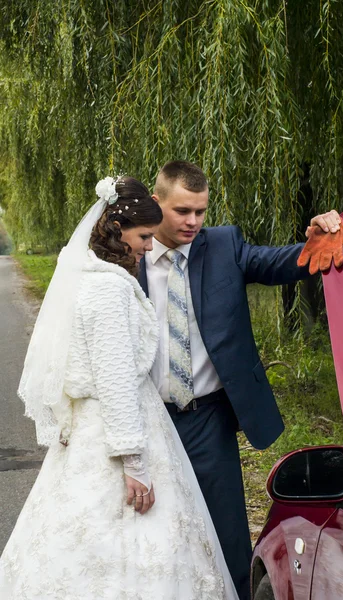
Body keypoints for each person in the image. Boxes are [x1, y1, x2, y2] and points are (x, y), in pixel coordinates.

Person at [0, 176, 240, 600]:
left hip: (98, 428)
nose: (149, 246)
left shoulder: (92, 279)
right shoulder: (108, 289)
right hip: (118, 430)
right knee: (131, 541)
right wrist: (135, 465)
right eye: (144, 236)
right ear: (117, 230)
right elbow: (116, 381)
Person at [138, 160, 343, 600]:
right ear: (156, 203)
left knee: (228, 532)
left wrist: (316, 241)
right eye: (182, 211)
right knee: (150, 528)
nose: (193, 222)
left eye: (201, 211)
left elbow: (274, 263)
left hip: (208, 418)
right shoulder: (127, 257)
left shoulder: (224, 244)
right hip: (148, 419)